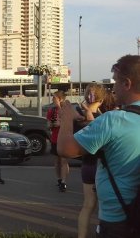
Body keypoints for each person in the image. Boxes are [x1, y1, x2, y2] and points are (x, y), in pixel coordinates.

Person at [58, 55, 140, 238]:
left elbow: (65, 149)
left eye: (115, 83)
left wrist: (67, 117)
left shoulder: (114, 120)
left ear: (127, 83)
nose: (113, 90)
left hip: (118, 220)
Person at [77, 84, 106, 238]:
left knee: (87, 206)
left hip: (87, 165)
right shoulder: (105, 119)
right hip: (101, 167)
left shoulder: (78, 116)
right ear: (101, 100)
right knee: (104, 207)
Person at [46, 90, 69, 192]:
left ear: (60, 99)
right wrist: (51, 124)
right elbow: (48, 124)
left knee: (64, 160)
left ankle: (63, 182)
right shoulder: (51, 110)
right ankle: (59, 179)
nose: (52, 100)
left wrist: (59, 107)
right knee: (57, 161)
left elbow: (69, 122)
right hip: (55, 138)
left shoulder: (67, 109)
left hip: (65, 138)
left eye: (54, 98)